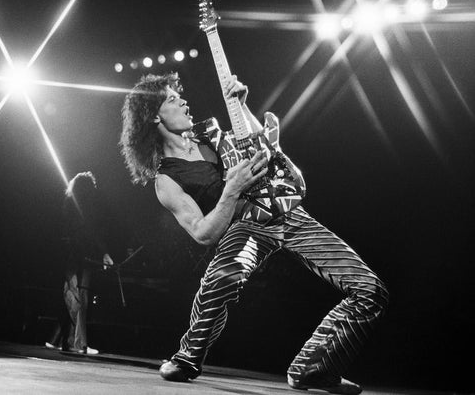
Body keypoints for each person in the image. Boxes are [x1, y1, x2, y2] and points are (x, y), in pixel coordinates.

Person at [119, 72, 388, 394]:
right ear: (152, 115)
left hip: (287, 214)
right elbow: (203, 234)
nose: (184, 101)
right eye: (173, 99)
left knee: (371, 290)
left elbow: (262, 150)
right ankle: (187, 358)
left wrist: (242, 107)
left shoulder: (210, 135)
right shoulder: (167, 180)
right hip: (244, 225)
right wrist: (230, 191)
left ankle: (313, 369)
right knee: (221, 278)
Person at [45, 172, 114, 354]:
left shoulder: (69, 203)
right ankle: (78, 343)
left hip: (71, 256)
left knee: (71, 296)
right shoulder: (86, 207)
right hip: (83, 257)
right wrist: (104, 253)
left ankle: (59, 340)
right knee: (79, 299)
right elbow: (93, 232)